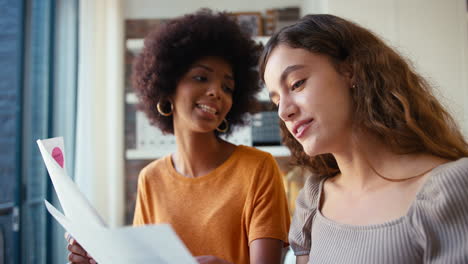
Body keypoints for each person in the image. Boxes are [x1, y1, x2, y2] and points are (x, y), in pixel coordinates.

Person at [66, 9, 290, 264]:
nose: (216, 91)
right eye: (200, 77)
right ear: (167, 86)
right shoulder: (150, 179)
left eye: (227, 87)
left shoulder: (258, 169)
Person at [259, 14, 468, 263]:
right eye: (276, 101)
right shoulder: (312, 200)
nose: (284, 112)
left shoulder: (446, 189)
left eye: (297, 84)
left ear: (351, 71)